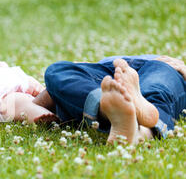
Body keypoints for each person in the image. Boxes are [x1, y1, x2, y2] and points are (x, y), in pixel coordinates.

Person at [35, 55, 186, 144]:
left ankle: (137, 127)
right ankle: (116, 109)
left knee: (157, 91)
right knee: (58, 70)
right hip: (105, 70)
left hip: (162, 65)